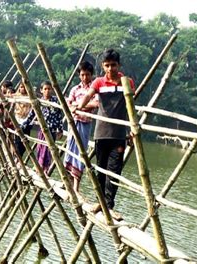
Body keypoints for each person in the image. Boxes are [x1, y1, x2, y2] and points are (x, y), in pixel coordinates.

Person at [74, 49, 134, 220]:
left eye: (113, 65)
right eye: (107, 65)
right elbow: (88, 96)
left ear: (118, 65)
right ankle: (100, 202)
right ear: (102, 66)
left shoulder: (126, 82)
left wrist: (131, 130)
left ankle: (109, 205)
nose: (110, 69)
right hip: (101, 132)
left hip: (119, 134)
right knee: (100, 168)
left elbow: (130, 107)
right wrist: (79, 107)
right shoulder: (99, 82)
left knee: (114, 171)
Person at [64, 61, 98, 199]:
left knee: (80, 153)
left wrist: (77, 106)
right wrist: (81, 106)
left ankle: (76, 188)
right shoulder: (75, 89)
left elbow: (95, 103)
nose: (85, 77)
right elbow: (68, 103)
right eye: (82, 75)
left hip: (84, 123)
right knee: (70, 150)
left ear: (91, 75)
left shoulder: (93, 89)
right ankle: (68, 184)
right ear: (79, 75)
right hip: (73, 122)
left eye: (87, 75)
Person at [21, 81, 64, 173]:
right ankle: (39, 168)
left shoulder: (55, 101)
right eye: (45, 89)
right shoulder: (39, 101)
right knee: (40, 149)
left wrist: (60, 130)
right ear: (41, 90)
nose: (47, 91)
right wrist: (24, 124)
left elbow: (59, 116)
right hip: (42, 130)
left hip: (52, 130)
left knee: (48, 151)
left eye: (49, 89)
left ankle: (45, 170)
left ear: (52, 90)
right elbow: (32, 114)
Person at [13, 81, 32, 157]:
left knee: (25, 141)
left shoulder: (30, 97)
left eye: (24, 87)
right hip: (18, 120)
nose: (23, 89)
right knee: (17, 140)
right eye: (21, 87)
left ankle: (19, 157)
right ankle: (18, 158)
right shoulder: (16, 96)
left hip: (27, 121)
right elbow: (7, 96)